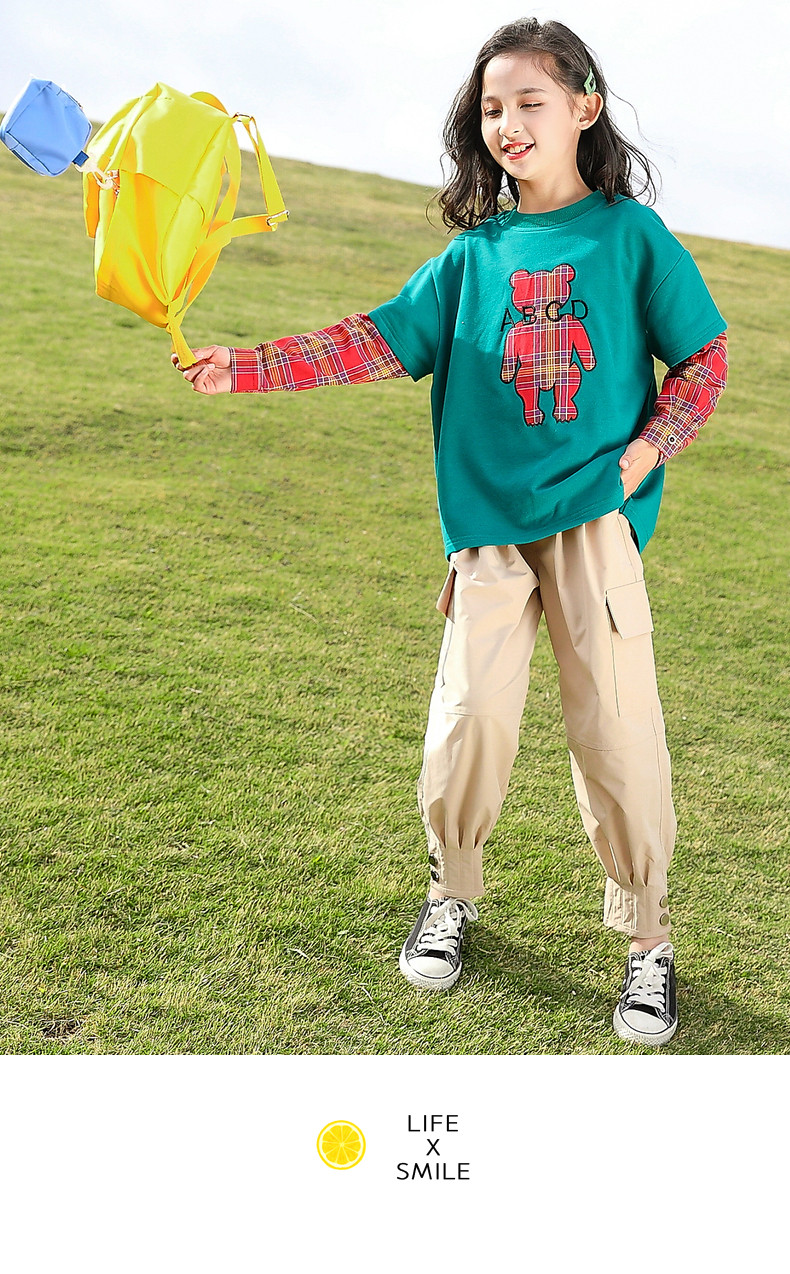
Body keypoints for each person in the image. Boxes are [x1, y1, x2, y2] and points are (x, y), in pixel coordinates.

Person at [174, 17, 728, 1047]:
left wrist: (644, 456)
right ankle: (451, 894)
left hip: (592, 527)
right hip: (485, 533)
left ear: (585, 107)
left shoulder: (630, 237)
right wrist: (241, 367)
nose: (507, 124)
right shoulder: (471, 257)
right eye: (491, 108)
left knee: (616, 735)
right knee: (467, 722)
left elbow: (703, 362)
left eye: (529, 102)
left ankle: (647, 942)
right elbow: (372, 342)